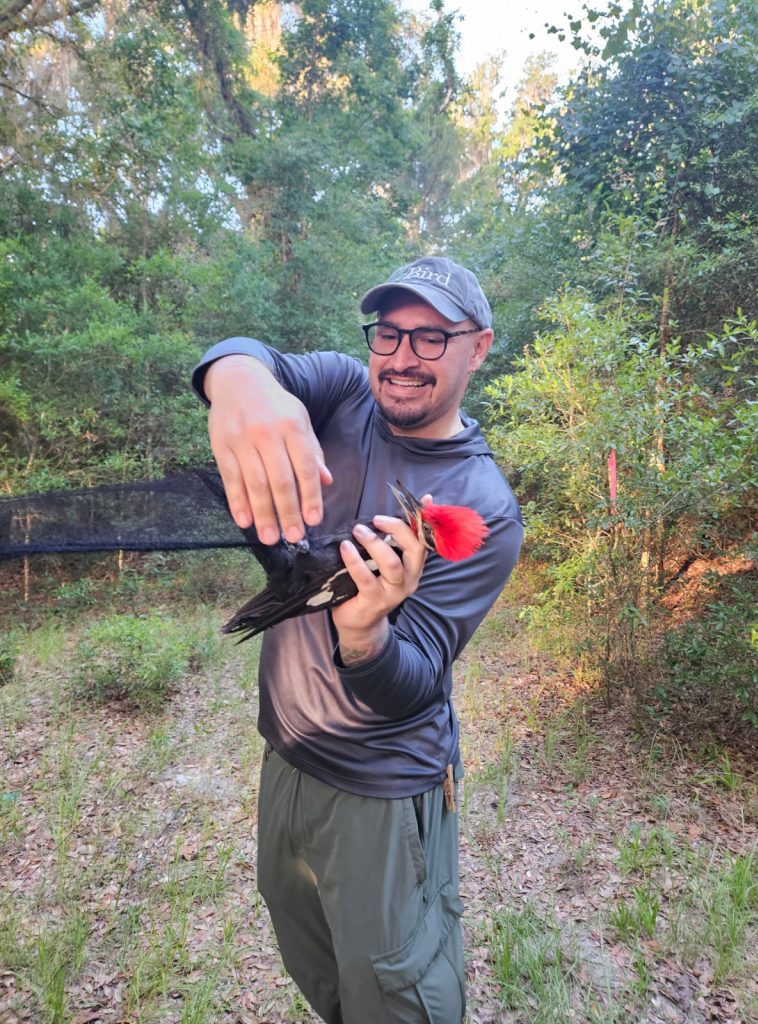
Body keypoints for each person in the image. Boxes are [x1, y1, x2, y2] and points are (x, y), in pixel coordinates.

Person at [191, 256, 523, 1024]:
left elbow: (417, 683)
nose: (402, 356)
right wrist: (237, 380)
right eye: (389, 333)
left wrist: (364, 630)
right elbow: (248, 358)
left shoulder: (485, 506)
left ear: (479, 347)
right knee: (308, 948)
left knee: (395, 988)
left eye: (432, 337)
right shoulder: (343, 391)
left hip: (383, 786)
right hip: (286, 753)